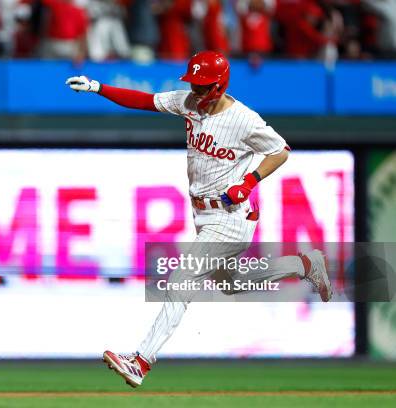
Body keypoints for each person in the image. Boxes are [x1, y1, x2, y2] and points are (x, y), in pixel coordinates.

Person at [65, 50, 333, 388]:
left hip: (231, 216)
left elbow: (279, 150)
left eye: (202, 85)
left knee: (181, 278)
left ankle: (142, 360)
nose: (196, 90)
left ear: (219, 87)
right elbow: (145, 101)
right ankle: (306, 265)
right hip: (204, 216)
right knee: (232, 284)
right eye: (193, 83)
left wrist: (249, 182)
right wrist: (96, 87)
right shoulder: (189, 102)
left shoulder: (244, 119)